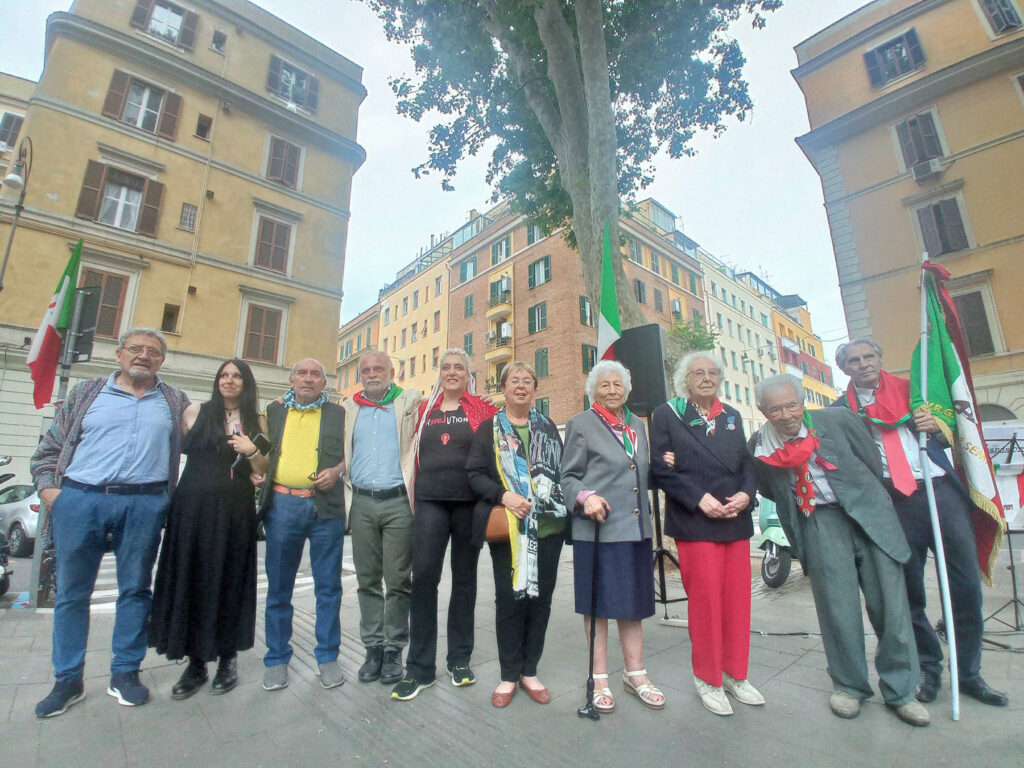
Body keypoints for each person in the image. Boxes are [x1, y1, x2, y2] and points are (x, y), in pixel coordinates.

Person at [834, 339, 1008, 706]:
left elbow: (957, 430)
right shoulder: (842, 411)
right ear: (845, 369)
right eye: (854, 360)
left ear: (880, 359)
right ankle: (929, 668)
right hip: (894, 501)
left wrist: (938, 423)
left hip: (940, 490)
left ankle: (970, 673)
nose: (863, 363)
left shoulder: (917, 392)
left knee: (964, 585)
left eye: (869, 356)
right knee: (909, 590)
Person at [749, 374, 929, 726]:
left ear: (801, 402)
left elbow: (871, 462)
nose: (786, 415)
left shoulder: (838, 419)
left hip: (867, 516)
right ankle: (848, 686)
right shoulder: (759, 444)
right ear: (762, 411)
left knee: (891, 607)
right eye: (775, 409)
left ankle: (902, 691)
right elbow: (768, 488)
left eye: (791, 405)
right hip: (818, 519)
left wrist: (856, 495)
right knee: (836, 607)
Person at [30, 329, 191, 717]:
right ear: (119, 354)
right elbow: (48, 450)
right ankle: (68, 679)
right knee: (71, 594)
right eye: (135, 349)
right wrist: (54, 495)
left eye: (153, 352)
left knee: (136, 591)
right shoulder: (86, 393)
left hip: (144, 503)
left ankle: (125, 673)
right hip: (80, 500)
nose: (143, 356)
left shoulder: (173, 400)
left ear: (162, 361)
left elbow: (204, 442)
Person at [650, 352, 762, 716]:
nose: (706, 378)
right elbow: (661, 468)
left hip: (734, 517)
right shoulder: (668, 413)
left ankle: (735, 674)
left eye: (713, 372)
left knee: (737, 602)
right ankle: (708, 678)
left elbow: (748, 463)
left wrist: (747, 494)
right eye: (699, 372)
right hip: (696, 519)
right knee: (706, 603)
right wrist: (700, 499)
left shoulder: (731, 415)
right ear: (686, 378)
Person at [149, 359, 268, 698]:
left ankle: (227, 658)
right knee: (193, 576)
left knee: (229, 579)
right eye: (224, 375)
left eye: (237, 376)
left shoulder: (258, 420)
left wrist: (252, 449)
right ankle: (196, 661)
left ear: (246, 382)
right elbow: (174, 453)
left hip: (234, 509)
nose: (229, 381)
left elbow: (263, 465)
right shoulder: (193, 412)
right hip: (192, 506)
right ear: (217, 381)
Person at [390, 348, 497, 701]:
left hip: (470, 505)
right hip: (429, 502)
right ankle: (419, 668)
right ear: (439, 373)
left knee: (465, 582)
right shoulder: (422, 411)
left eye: (459, 368)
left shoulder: (483, 410)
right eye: (446, 367)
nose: (452, 372)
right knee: (423, 580)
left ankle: (459, 660)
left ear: (469, 374)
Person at [560, 360, 664, 713]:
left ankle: (636, 674)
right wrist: (585, 498)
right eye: (604, 385)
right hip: (599, 529)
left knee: (632, 606)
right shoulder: (581, 424)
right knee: (598, 607)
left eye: (617, 384)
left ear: (627, 389)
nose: (611, 390)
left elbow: (643, 472)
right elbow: (568, 477)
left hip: (635, 531)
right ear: (593, 390)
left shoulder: (637, 425)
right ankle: (599, 676)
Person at [466, 361, 568, 708]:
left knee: (541, 600)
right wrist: (504, 495)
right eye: (514, 381)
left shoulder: (549, 427)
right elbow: (475, 475)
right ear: (504, 388)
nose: (521, 386)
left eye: (527, 381)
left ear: (535, 389)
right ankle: (509, 674)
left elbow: (562, 469)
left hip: (549, 527)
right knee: (510, 600)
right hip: (509, 530)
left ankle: (530, 671)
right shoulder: (488, 428)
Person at [255, 358, 346, 692]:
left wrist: (338, 470)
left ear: (325, 383)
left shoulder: (339, 414)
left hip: (326, 508)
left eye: (315, 375)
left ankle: (328, 657)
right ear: (291, 379)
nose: (308, 379)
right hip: (282, 506)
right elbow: (260, 452)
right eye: (302, 374)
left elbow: (350, 453)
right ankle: (277, 659)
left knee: (329, 587)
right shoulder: (274, 411)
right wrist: (256, 470)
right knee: (279, 587)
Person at [342, 351, 422, 686]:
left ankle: (393, 650)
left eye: (379, 369)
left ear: (392, 371)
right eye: (366, 370)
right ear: (360, 375)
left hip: (397, 503)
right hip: (360, 502)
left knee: (398, 581)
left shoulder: (408, 402)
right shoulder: (349, 408)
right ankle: (372, 648)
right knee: (367, 580)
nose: (372, 374)